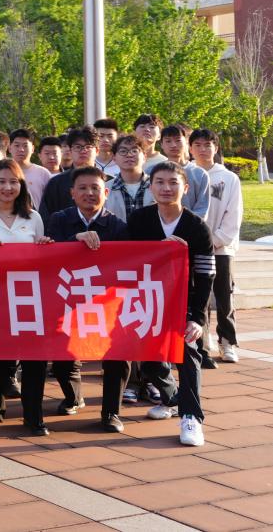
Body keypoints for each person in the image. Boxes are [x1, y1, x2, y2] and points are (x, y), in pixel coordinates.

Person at [121, 162, 215, 447]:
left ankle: (191, 417)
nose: (166, 188)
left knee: (188, 354)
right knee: (150, 360)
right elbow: (125, 260)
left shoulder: (196, 227)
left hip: (185, 302)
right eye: (159, 182)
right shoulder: (140, 220)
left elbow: (206, 274)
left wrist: (197, 318)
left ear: (185, 188)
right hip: (148, 300)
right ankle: (172, 398)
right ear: (150, 187)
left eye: (173, 182)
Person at [0, 159, 54, 436]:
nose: (7, 187)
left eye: (13, 181)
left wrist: (44, 246)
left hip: (28, 298)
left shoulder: (33, 217)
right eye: (1, 181)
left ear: (22, 185)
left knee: (35, 358)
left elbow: (43, 259)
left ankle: (34, 414)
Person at [44, 166, 131, 432]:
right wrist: (74, 240)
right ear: (72, 193)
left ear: (106, 193)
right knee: (63, 360)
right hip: (67, 300)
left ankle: (111, 412)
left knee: (118, 354)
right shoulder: (59, 219)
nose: (89, 193)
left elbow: (130, 261)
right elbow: (48, 256)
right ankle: (73, 396)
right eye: (82, 188)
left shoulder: (117, 226)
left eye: (95, 188)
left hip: (107, 303)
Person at [190, 129, 243, 365]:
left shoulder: (228, 178)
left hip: (221, 248)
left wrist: (217, 240)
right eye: (198, 145)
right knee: (199, 295)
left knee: (224, 296)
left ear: (216, 148)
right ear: (190, 148)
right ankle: (204, 338)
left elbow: (234, 213)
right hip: (194, 246)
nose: (203, 149)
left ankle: (227, 341)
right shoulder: (187, 174)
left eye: (208, 144)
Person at [38, 126, 99, 223]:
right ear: (70, 151)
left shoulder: (107, 181)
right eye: (78, 147)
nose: (83, 151)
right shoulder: (56, 183)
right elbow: (46, 219)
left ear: (97, 151)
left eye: (88, 147)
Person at [160, 125, 210, 220]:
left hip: (191, 227)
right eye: (168, 141)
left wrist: (182, 225)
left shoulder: (200, 174)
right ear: (161, 144)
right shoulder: (152, 172)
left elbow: (202, 210)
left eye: (178, 140)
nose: (173, 145)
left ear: (187, 142)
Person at [104, 134, 150, 222]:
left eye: (134, 151)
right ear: (114, 158)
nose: (129, 155)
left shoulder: (157, 185)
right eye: (123, 151)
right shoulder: (105, 189)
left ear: (144, 156)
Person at [9, 129, 52, 208]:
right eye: (17, 145)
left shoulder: (43, 173)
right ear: (9, 148)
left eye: (25, 146)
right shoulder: (3, 172)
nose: (21, 149)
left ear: (32, 149)